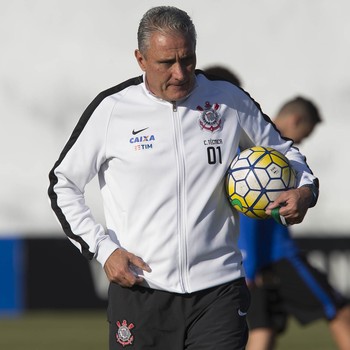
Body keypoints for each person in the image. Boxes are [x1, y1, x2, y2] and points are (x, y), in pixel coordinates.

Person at [48, 6, 319, 350]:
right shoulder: (112, 110)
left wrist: (306, 190)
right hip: (141, 291)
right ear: (141, 59)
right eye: (166, 63)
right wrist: (103, 250)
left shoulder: (227, 100)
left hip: (218, 292)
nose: (180, 72)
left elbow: (287, 153)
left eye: (187, 59)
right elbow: (62, 184)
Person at [238, 97, 350, 350]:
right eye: (303, 135)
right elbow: (249, 216)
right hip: (278, 256)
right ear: (295, 120)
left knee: (263, 328)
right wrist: (250, 263)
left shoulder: (246, 142)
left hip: (254, 261)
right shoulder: (266, 153)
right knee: (340, 310)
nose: (299, 143)